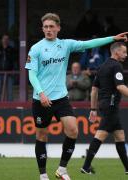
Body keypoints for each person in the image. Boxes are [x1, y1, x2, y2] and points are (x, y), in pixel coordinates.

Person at [25, 12, 128, 180]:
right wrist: (41, 93)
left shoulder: (66, 45)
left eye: (52, 26)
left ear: (58, 28)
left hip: (60, 98)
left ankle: (62, 170)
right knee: (42, 135)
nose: (48, 30)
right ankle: (43, 175)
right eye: (46, 27)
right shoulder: (35, 48)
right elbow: (32, 75)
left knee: (73, 130)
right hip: (41, 100)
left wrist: (112, 38)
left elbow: (89, 44)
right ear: (42, 29)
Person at [81, 42, 128, 175]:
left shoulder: (101, 67)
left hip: (104, 104)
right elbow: (120, 87)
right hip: (111, 105)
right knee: (101, 134)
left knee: (119, 135)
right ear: (116, 52)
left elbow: (94, 90)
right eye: (124, 52)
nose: (126, 55)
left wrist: (93, 109)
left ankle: (127, 168)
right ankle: (86, 166)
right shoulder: (116, 66)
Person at [0, 33, 15, 101]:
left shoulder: (11, 49)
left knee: (10, 91)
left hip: (9, 73)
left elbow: (14, 59)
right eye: (4, 39)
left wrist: (7, 53)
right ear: (1, 40)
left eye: (7, 39)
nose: (5, 40)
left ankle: (10, 107)